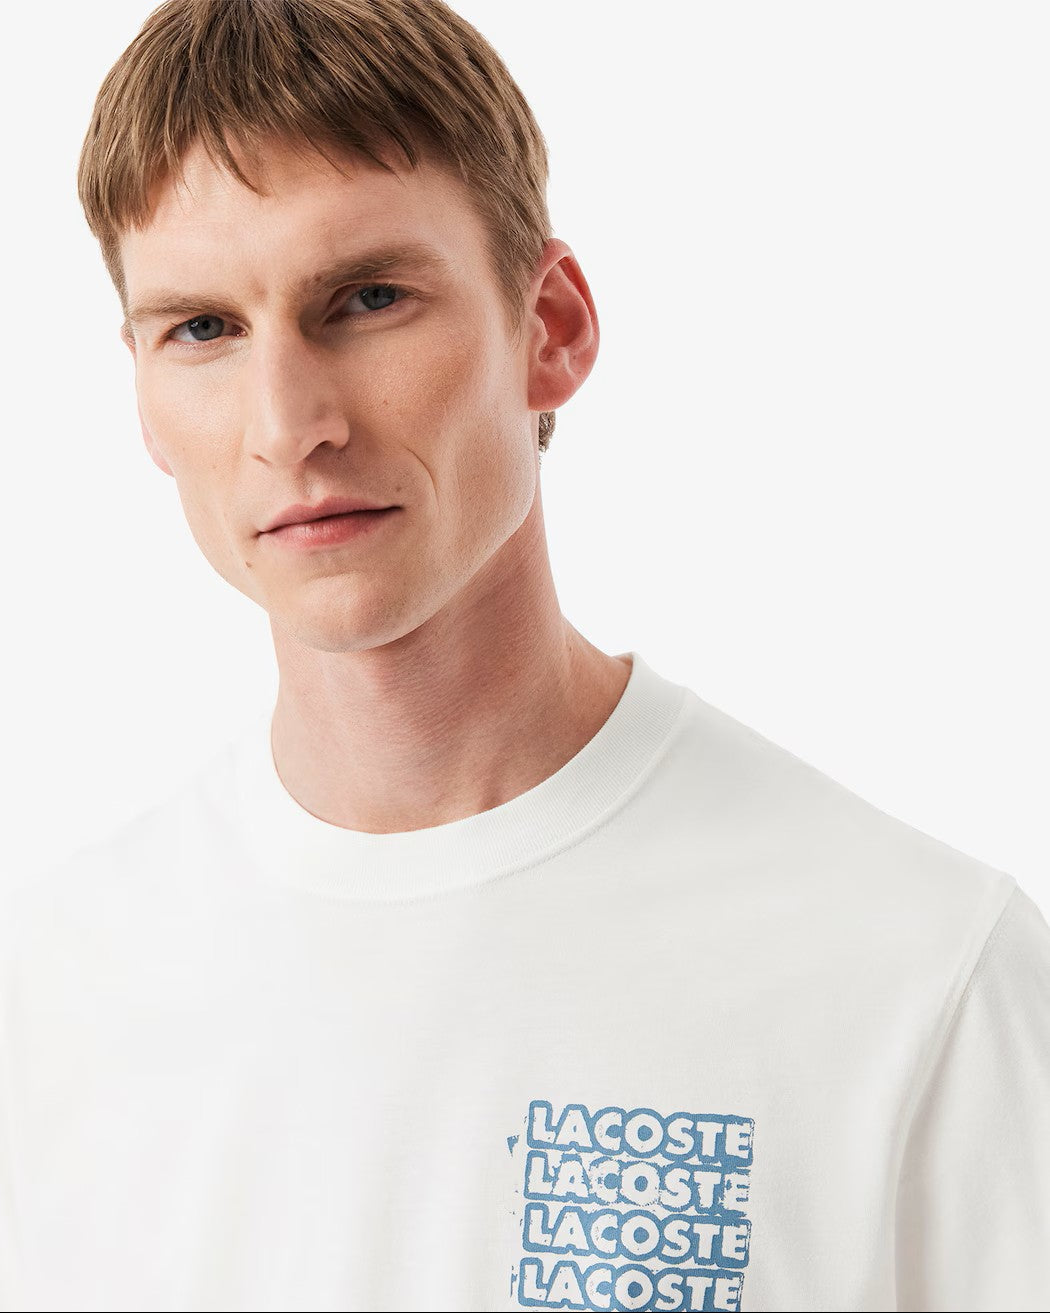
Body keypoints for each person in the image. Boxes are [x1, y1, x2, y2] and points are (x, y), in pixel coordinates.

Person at [1, 0, 1048, 1309]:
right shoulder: (49, 998)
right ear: (144, 396)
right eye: (203, 329)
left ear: (549, 327)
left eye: (367, 299)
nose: (288, 423)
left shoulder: (915, 968)